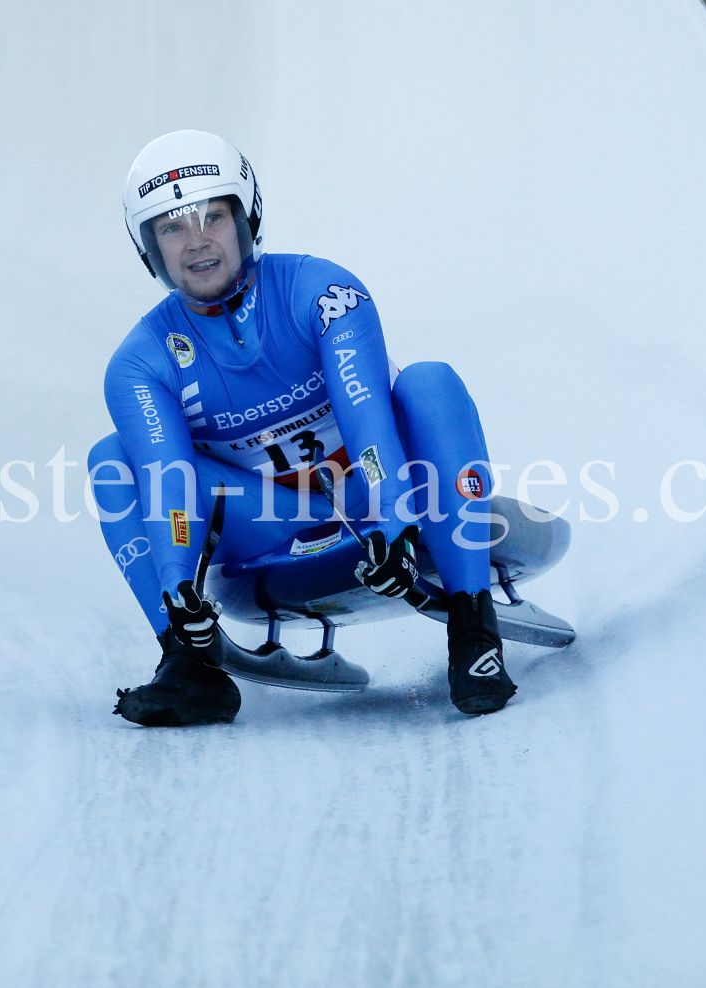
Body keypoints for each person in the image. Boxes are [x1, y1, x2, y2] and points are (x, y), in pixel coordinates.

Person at [89, 130, 516, 726]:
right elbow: (170, 483)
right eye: (172, 227)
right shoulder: (138, 363)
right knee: (112, 459)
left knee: (429, 383)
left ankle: (474, 630)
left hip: (378, 486)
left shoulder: (323, 293)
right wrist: (178, 582)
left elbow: (366, 418)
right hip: (266, 519)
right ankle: (188, 662)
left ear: (247, 219)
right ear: (150, 250)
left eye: (212, 216)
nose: (197, 241)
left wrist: (394, 521)